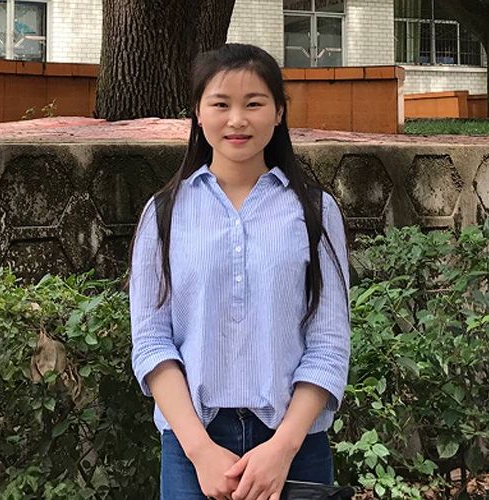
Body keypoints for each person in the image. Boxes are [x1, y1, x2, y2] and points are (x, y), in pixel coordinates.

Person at [129, 43, 351, 500]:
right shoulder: (164, 212)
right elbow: (151, 340)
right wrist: (200, 451)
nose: (237, 120)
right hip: (193, 445)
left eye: (253, 104)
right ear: (197, 112)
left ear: (279, 112)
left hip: (295, 445)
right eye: (220, 104)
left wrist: (282, 449)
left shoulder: (315, 210)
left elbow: (329, 342)